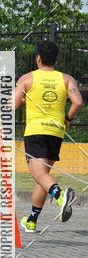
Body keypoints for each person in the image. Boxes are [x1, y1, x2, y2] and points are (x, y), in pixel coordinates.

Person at [13, 40, 83, 232]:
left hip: (35, 131)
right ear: (56, 59)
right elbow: (78, 101)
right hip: (56, 132)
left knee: (38, 174)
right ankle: (31, 221)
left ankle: (60, 195)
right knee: (42, 176)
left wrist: (26, 102)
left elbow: (12, 103)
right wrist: (67, 118)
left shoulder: (27, 79)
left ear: (38, 58)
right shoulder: (67, 79)